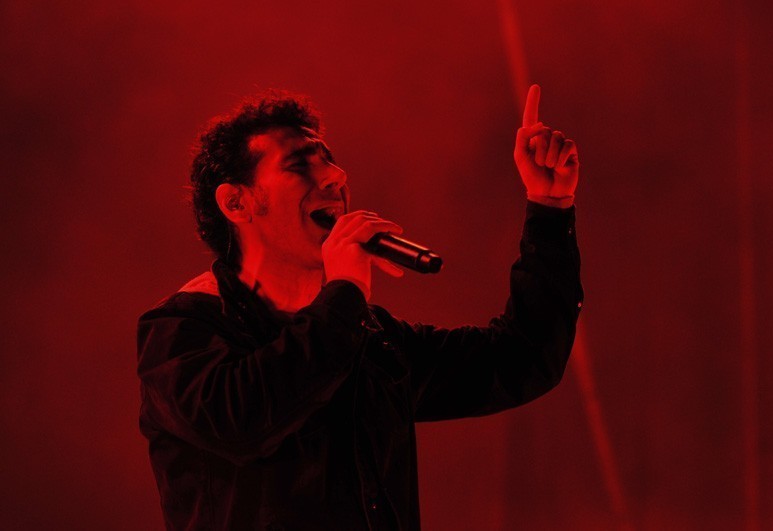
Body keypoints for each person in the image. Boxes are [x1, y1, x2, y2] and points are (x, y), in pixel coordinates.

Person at [136, 85, 583, 530]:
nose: (336, 175)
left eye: (328, 160)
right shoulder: (183, 330)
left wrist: (550, 208)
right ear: (237, 202)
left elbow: (523, 358)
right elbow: (244, 423)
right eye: (300, 164)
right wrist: (345, 290)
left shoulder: (369, 338)